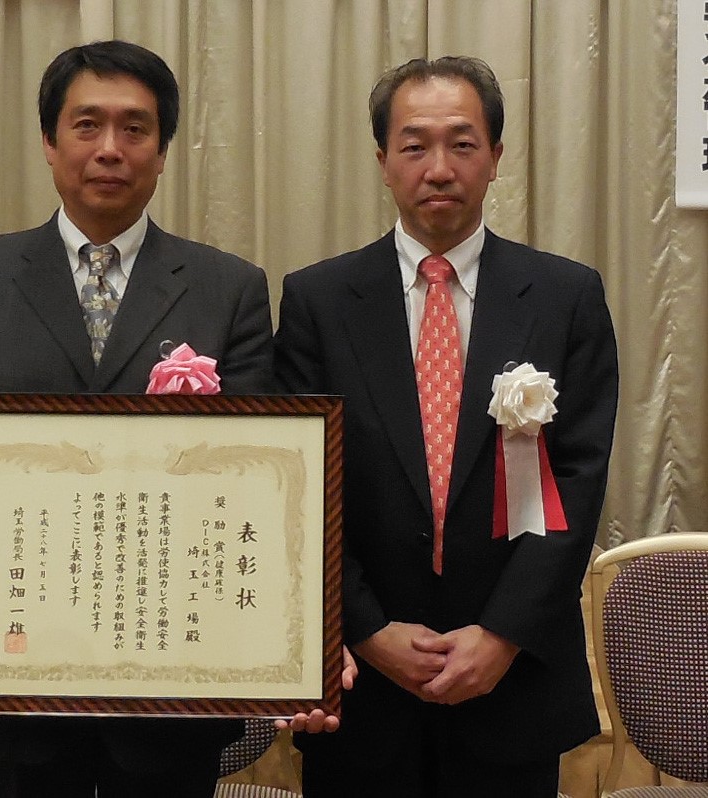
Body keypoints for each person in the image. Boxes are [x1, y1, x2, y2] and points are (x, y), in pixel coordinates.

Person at [0, 39, 274, 798]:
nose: (110, 150)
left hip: (172, 683)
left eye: (135, 129)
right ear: (50, 145)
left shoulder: (231, 290)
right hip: (13, 676)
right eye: (87, 125)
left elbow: (257, 483)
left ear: (162, 152)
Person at [273, 56, 618, 797]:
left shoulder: (565, 296)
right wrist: (363, 629)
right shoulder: (317, 301)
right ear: (382, 162)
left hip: (510, 679)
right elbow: (299, 491)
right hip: (362, 680)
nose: (438, 167)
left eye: (462, 144)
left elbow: (579, 479)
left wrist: (500, 636)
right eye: (414, 145)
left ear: (496, 157)